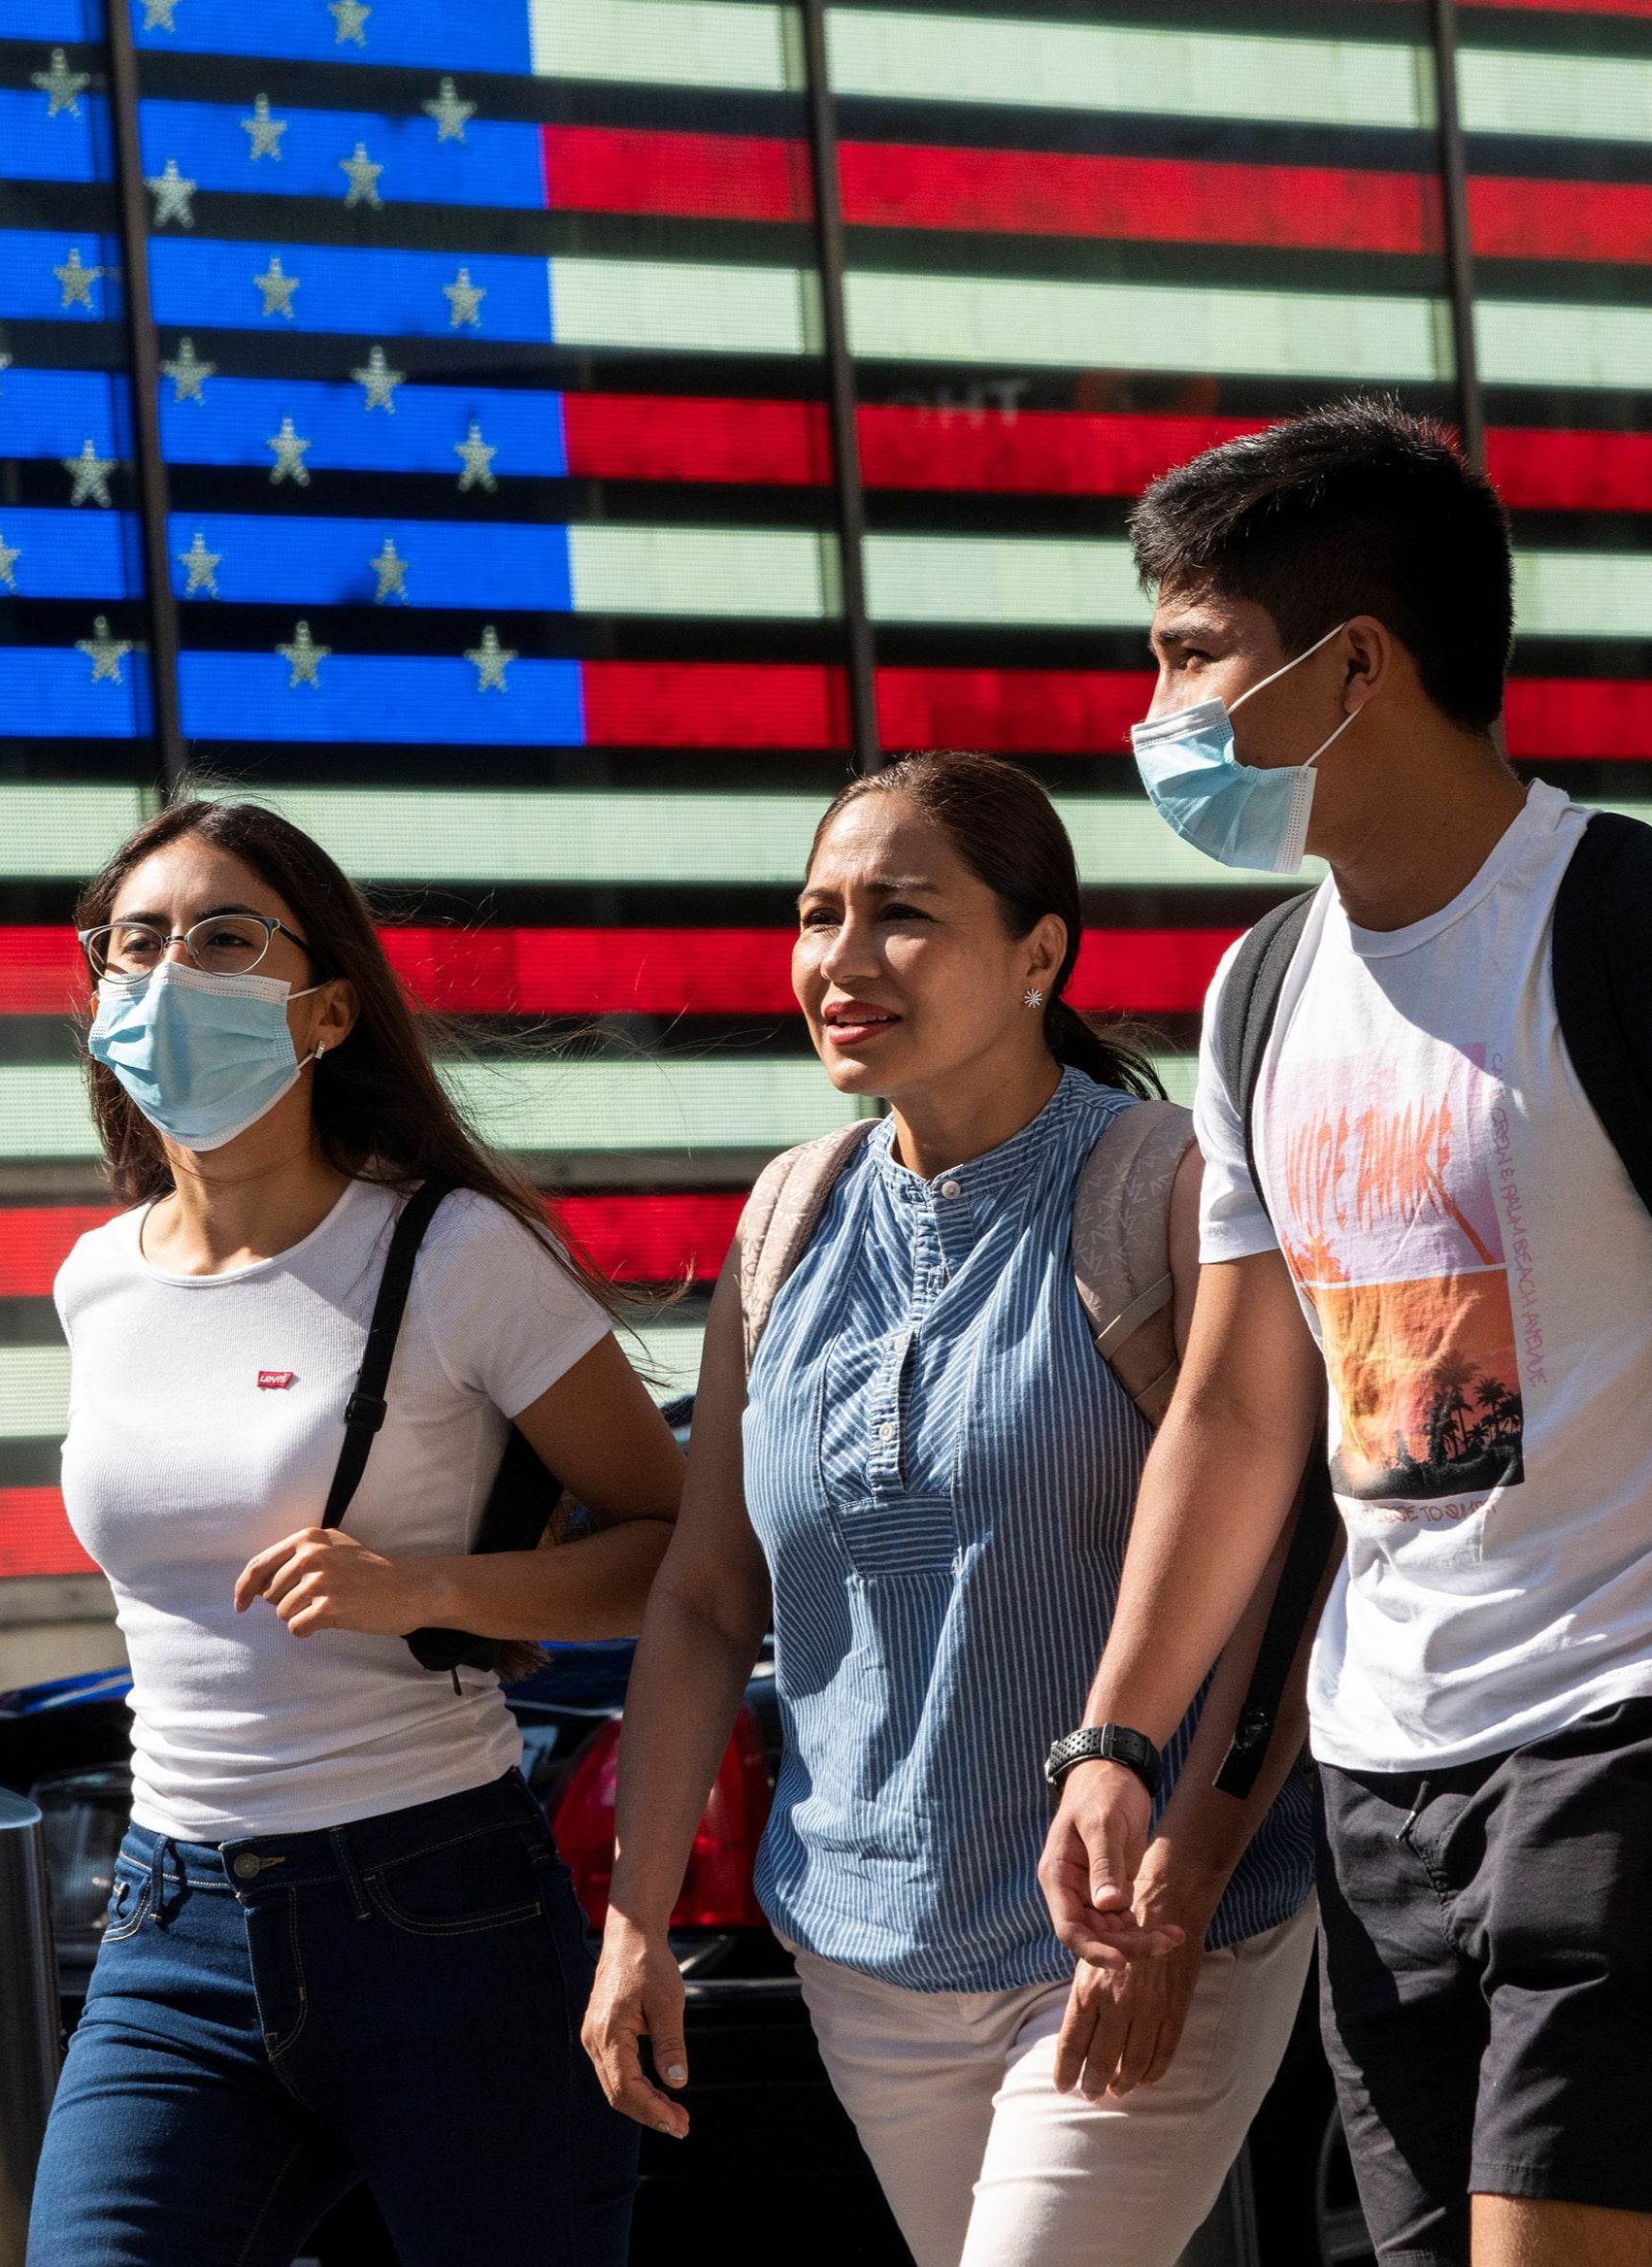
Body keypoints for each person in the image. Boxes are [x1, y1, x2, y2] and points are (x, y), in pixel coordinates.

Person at [1042, 399, 1652, 2267]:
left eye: (1194, 654)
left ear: (1356, 663)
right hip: (1378, 1766)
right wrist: (1115, 1737)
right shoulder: (1260, 986)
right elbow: (1238, 1410)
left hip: (1637, 1729)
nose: (1158, 714)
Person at [580, 752, 1320, 2267]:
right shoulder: (785, 1215)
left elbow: (1284, 1559)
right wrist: (634, 1920)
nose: (842, 961)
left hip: (1131, 1921)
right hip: (864, 1952)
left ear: (1040, 951)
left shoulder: (1165, 1186)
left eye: (902, 916)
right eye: (816, 915)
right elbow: (712, 1594)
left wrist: (1175, 1891)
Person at [24, 799, 677, 2267]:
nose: (171, 972)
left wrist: (429, 1586)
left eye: (224, 938)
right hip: (169, 1917)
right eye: (135, 945)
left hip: (441, 1914)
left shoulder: (450, 1253)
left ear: (323, 1009)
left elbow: (681, 1548)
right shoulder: (96, 1280)